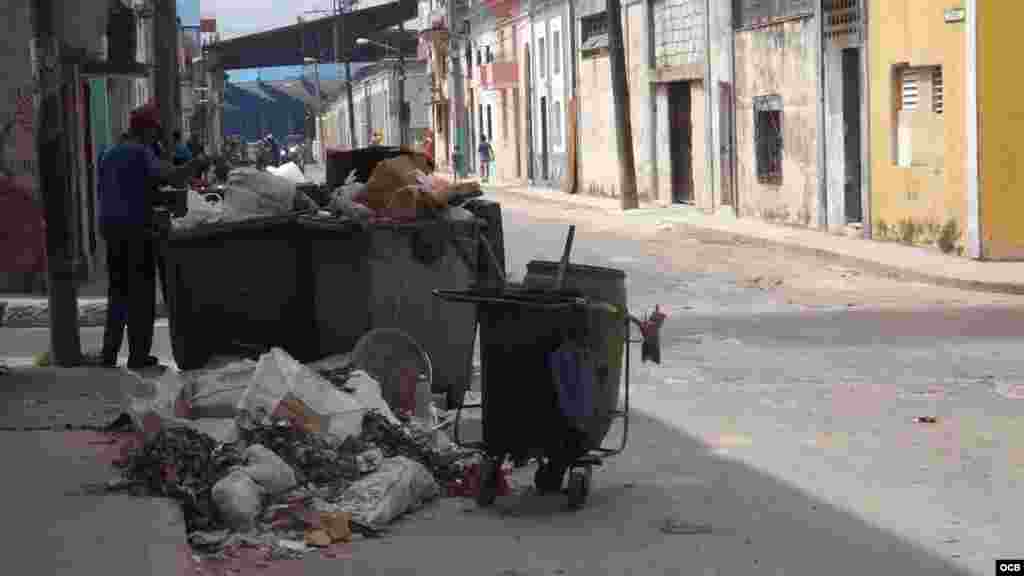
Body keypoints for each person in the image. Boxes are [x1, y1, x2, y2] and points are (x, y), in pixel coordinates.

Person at [96, 103, 209, 370]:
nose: (157, 137)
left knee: (118, 292)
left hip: (111, 230)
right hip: (136, 230)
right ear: (146, 130)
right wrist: (196, 164)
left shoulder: (109, 153)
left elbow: (125, 188)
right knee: (141, 294)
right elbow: (168, 175)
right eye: (155, 131)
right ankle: (138, 357)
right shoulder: (139, 152)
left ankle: (108, 355)